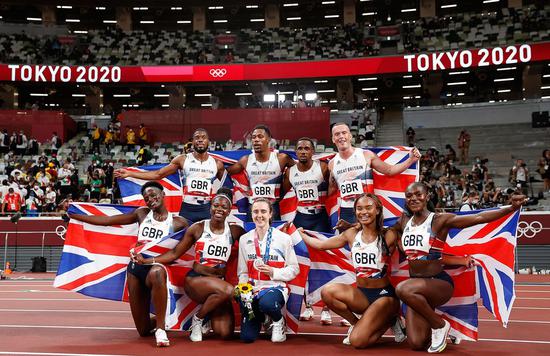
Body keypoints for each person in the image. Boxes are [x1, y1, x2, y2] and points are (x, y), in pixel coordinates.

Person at [391, 182, 526, 353]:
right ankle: (440, 325)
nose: (414, 198)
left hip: (438, 284)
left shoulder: (439, 220)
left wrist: (510, 208)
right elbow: (386, 230)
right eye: (409, 196)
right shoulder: (404, 222)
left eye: (418, 194)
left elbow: (479, 218)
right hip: (416, 289)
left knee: (402, 289)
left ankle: (440, 326)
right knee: (417, 343)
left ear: (427, 196)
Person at [68, 181, 189, 347]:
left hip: (156, 267)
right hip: (136, 270)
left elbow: (177, 252)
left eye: (154, 195)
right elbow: (108, 220)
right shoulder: (142, 214)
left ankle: (161, 329)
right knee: (143, 330)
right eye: (147, 198)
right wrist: (75, 215)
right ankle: (167, 317)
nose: (151, 199)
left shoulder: (179, 223)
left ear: (163, 195)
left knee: (157, 272)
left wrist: (150, 260)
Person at [134, 188, 244, 342]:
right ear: (210, 206)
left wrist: (279, 231)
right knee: (230, 291)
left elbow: (253, 240)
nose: (219, 209)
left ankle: (206, 315)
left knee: (225, 333)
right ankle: (197, 320)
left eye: (224, 207)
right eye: (216, 205)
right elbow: (174, 253)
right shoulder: (198, 228)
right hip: (195, 281)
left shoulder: (235, 231)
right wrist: (148, 261)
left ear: (229, 210)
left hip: (219, 284)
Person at [298, 194, 406, 347]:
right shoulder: (351, 234)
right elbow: (321, 245)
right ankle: (356, 323)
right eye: (359, 208)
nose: (364, 212)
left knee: (358, 342)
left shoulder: (389, 234)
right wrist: (300, 234)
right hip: (362, 294)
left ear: (377, 210)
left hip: (384, 297)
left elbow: (407, 243)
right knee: (327, 292)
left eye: (369, 208)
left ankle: (390, 319)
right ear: (355, 212)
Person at [115, 128, 226, 223]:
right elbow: (158, 174)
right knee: (182, 241)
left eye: (203, 137)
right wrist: (130, 173)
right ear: (192, 142)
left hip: (206, 209)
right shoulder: (183, 159)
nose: (200, 139)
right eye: (197, 137)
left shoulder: (217, 164)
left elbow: (227, 186)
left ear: (208, 141)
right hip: (187, 208)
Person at [328, 122, 420, 225]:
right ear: (333, 139)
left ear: (350, 136)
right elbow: (332, 189)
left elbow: (389, 170)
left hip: (367, 208)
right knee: (348, 241)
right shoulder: (332, 164)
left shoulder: (366, 155)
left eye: (344, 133)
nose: (341, 136)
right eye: (337, 134)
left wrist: (411, 160)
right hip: (346, 211)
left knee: (371, 240)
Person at [237, 198, 299, 343]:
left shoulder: (284, 239)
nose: (259, 215)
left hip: (275, 287)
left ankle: (278, 321)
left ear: (271, 214)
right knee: (247, 338)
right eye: (256, 211)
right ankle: (263, 318)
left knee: (267, 303)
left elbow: (294, 269)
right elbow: (243, 271)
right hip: (253, 289)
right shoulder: (244, 239)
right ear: (251, 214)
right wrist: (243, 288)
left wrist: (274, 272)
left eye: (263, 211)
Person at [228, 125, 295, 221]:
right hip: (253, 207)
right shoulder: (246, 160)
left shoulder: (282, 159)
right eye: (254, 137)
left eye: (260, 136)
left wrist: (283, 191)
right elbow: (226, 172)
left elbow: (298, 171)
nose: (256, 140)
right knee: (251, 235)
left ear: (268, 139)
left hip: (272, 207)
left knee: (273, 235)